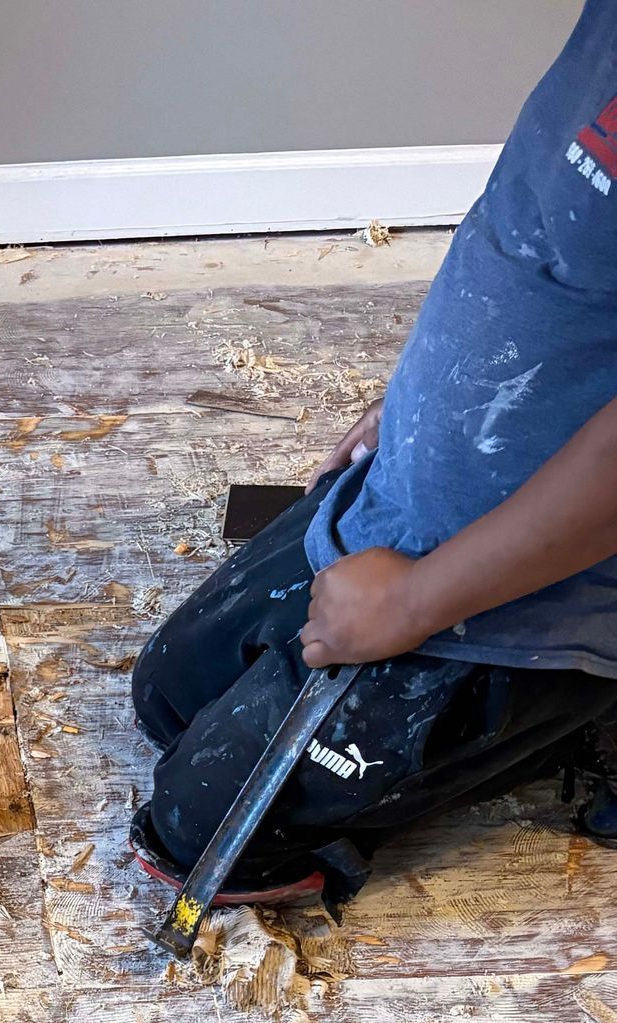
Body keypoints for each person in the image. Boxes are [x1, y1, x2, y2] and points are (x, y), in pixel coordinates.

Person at [130, 0, 617, 908]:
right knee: (167, 697)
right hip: (418, 492)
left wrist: (417, 600)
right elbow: (534, 237)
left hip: (549, 582)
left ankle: (585, 710)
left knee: (203, 838)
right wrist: (420, 404)